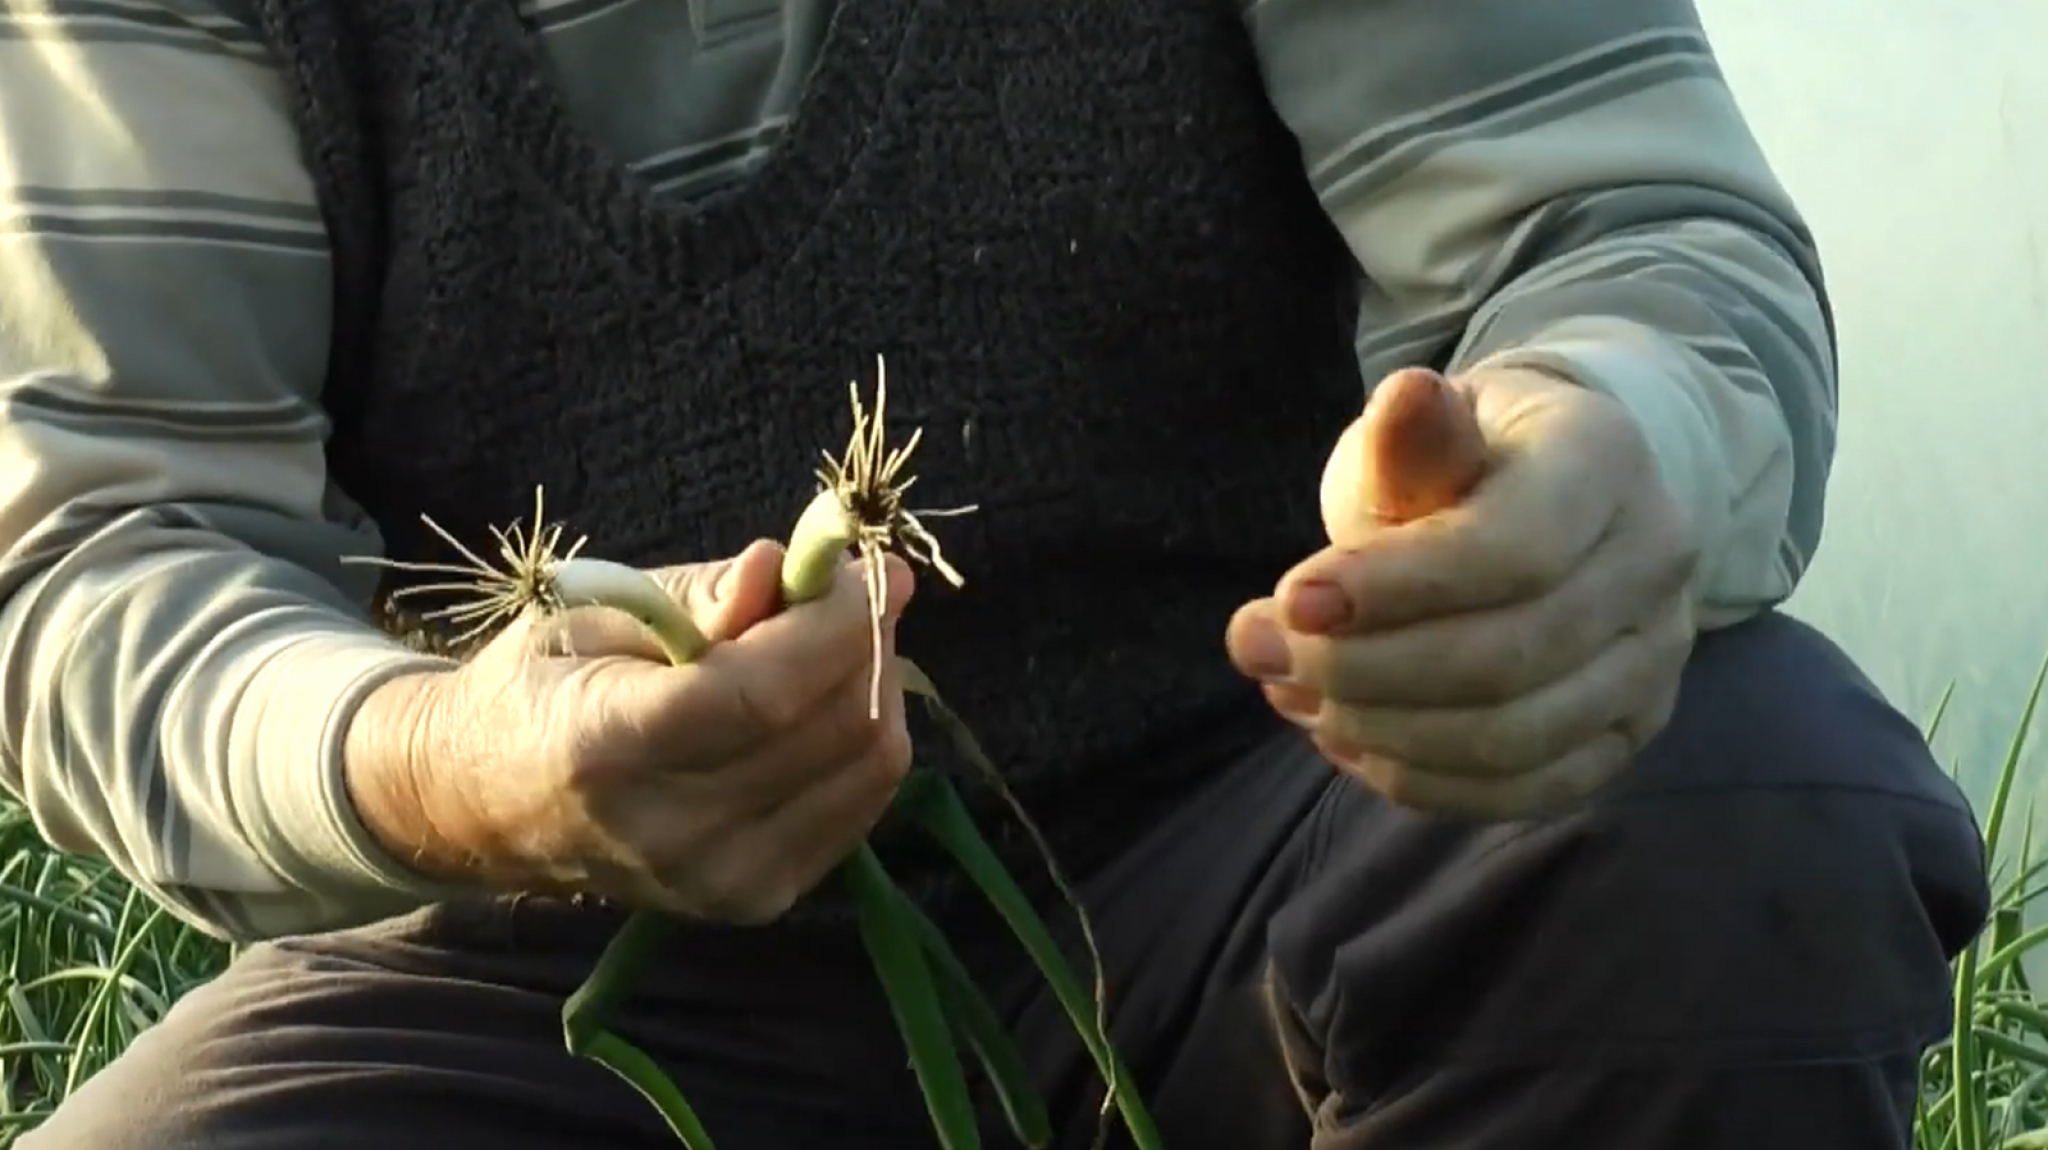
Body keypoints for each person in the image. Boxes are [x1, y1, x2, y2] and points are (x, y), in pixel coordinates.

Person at [0, 0, 1991, 1146]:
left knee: (1723, 801)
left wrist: (1594, 477)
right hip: (544, 970)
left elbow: (1625, 235)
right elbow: (121, 550)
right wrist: (461, 758)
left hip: (1278, 828)